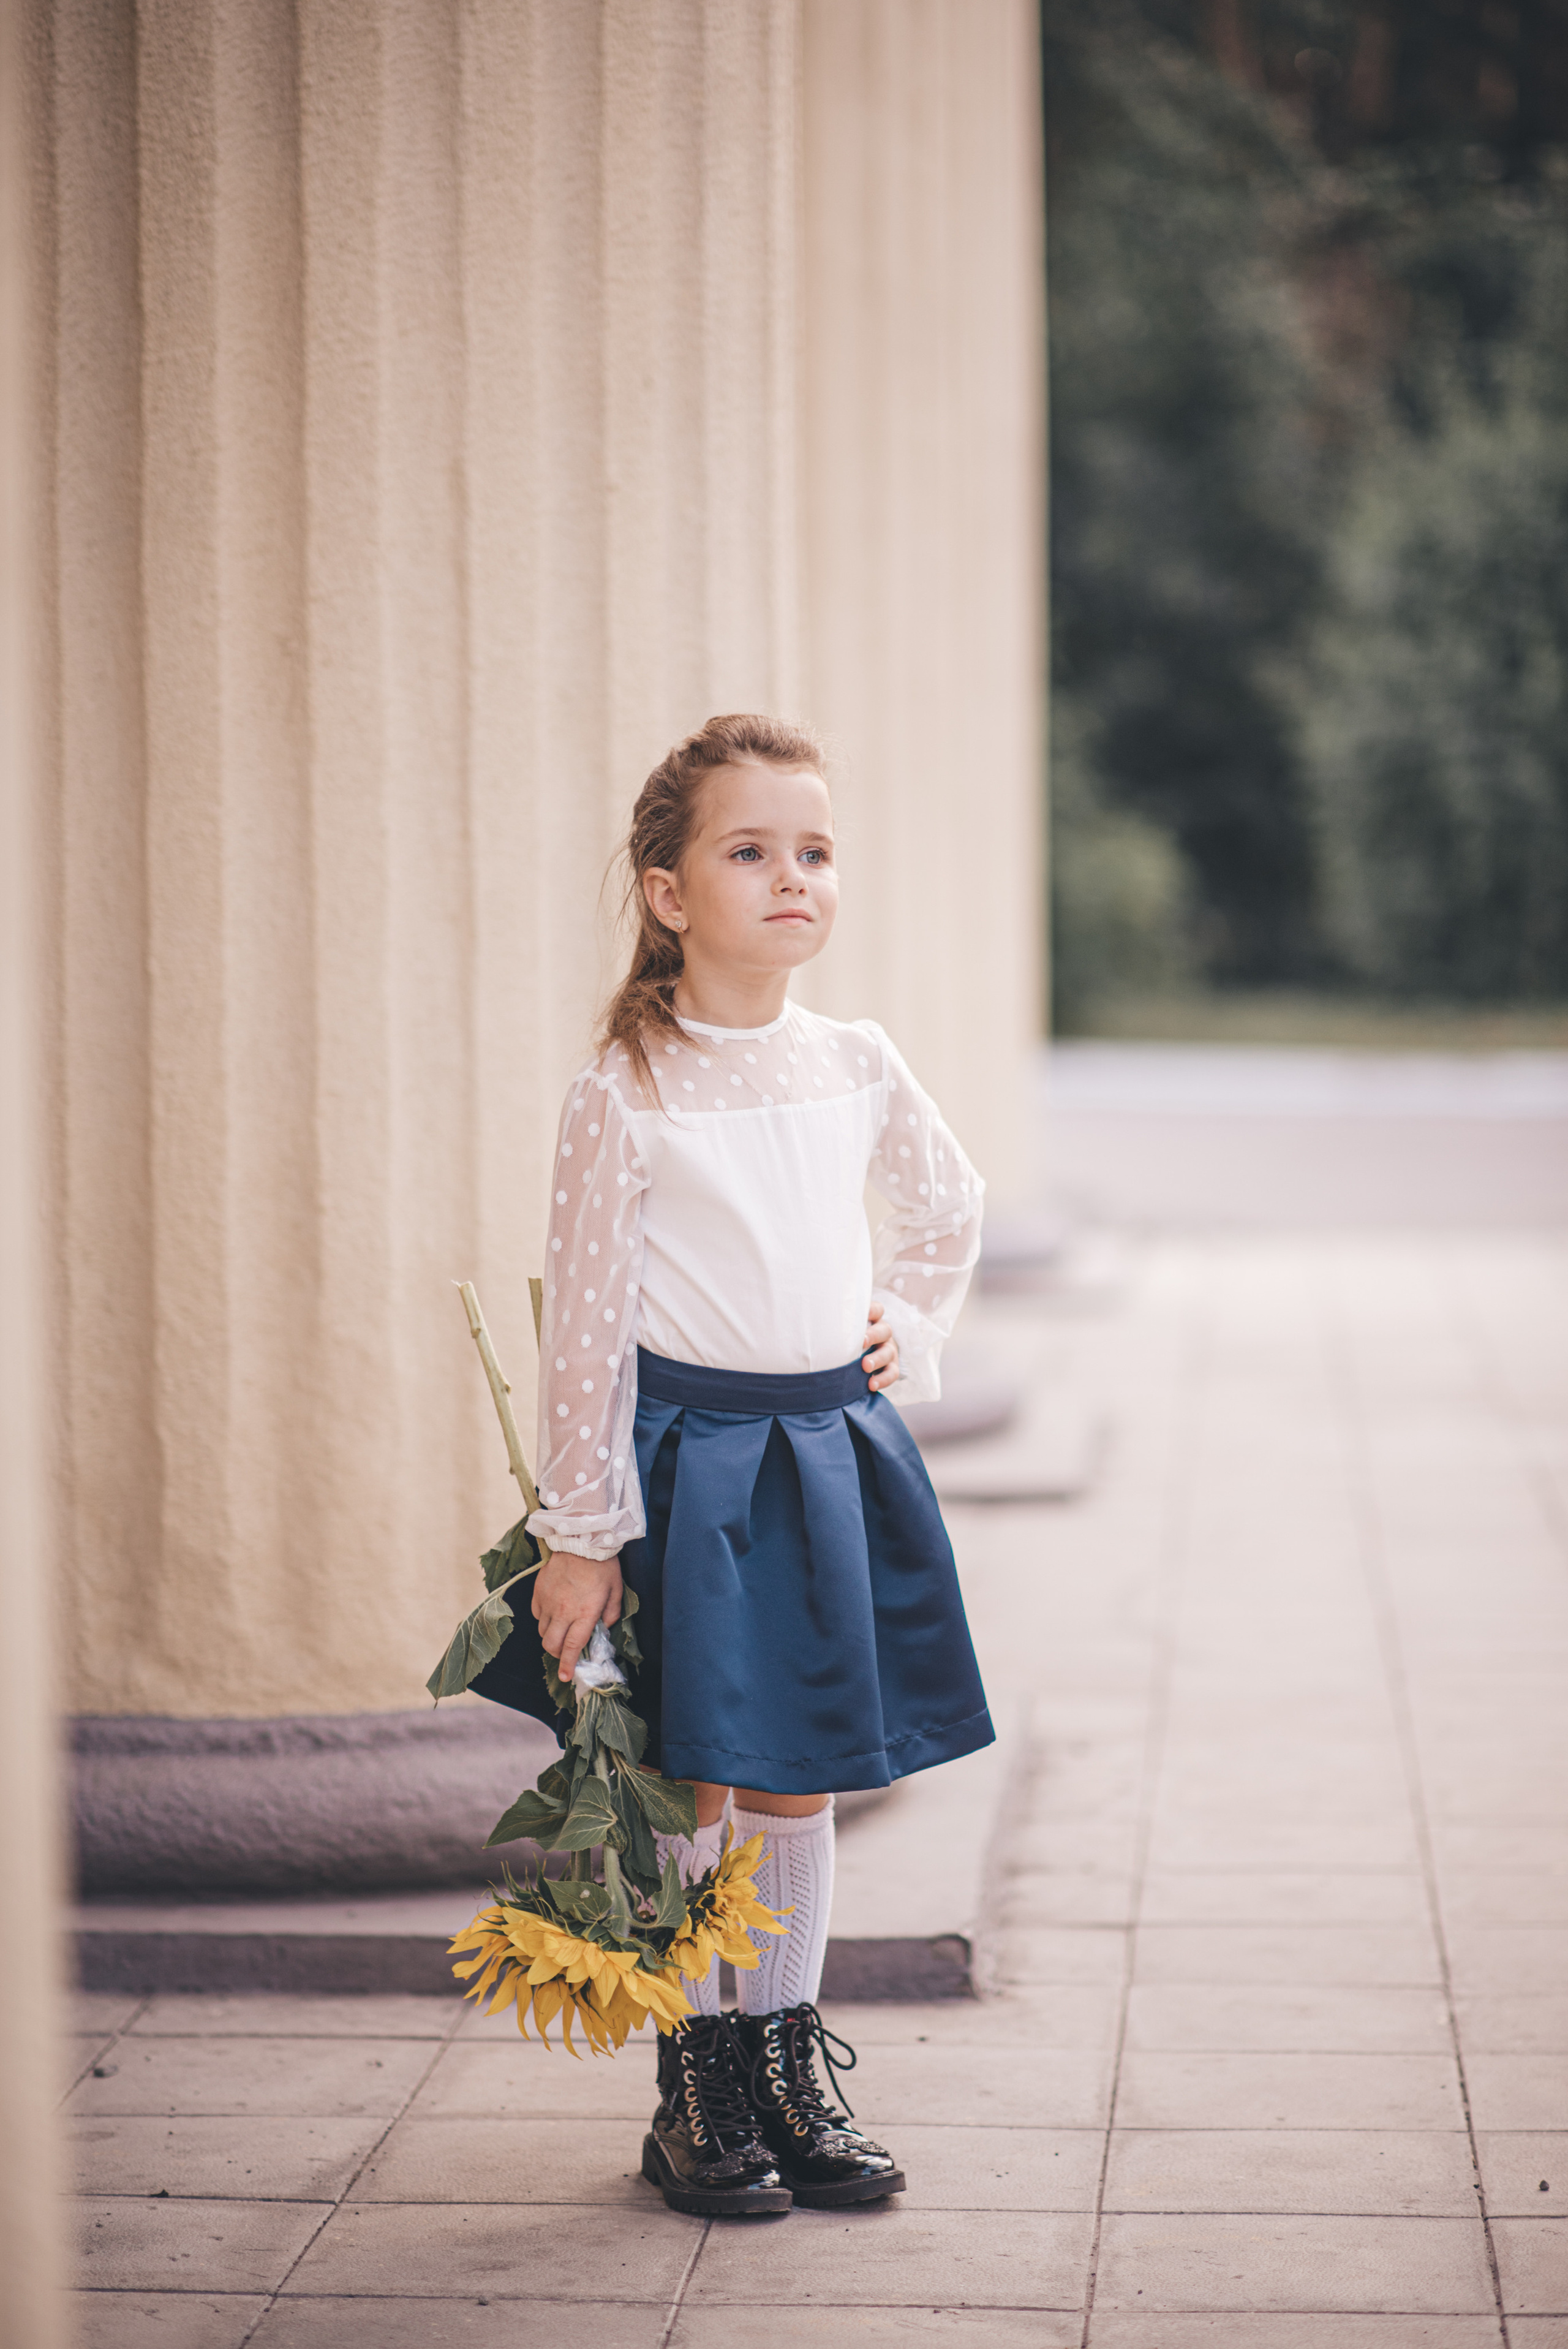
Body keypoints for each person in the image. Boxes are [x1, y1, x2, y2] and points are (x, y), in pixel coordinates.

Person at [518, 713, 991, 2217]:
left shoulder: (852, 1062)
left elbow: (947, 1207)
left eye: (814, 850)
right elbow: (585, 1336)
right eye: (749, 849)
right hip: (693, 1467)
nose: (792, 875)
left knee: (801, 1784)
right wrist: (580, 1534)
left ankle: (786, 2067)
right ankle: (697, 2084)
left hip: (822, 1454)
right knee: (703, 1775)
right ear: (667, 891)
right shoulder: (629, 1085)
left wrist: (902, 1326)